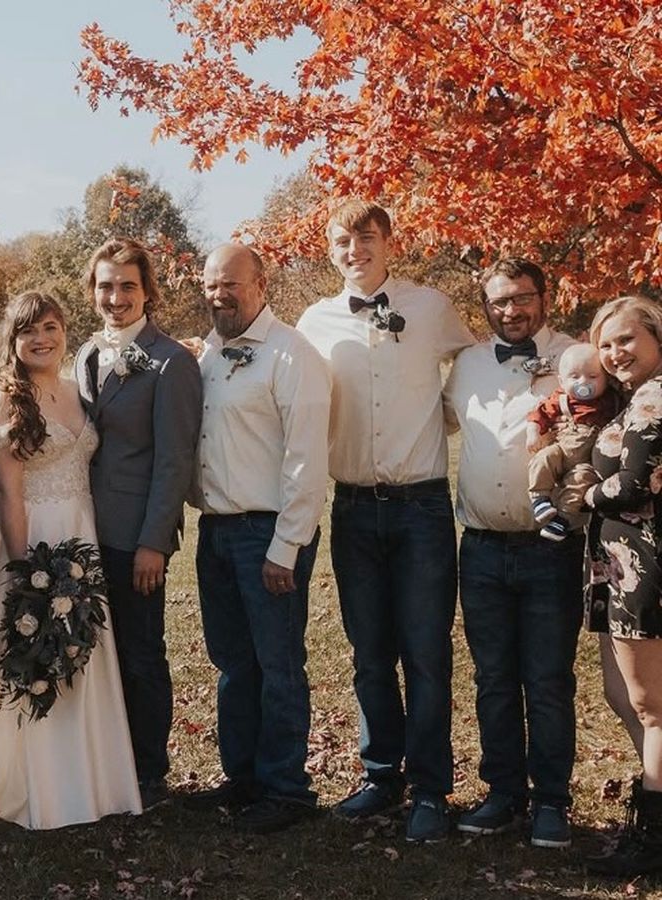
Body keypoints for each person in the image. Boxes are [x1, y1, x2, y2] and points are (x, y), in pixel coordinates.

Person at [0, 291, 142, 829]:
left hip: (81, 537)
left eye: (50, 327)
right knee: (34, 653)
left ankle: (89, 780)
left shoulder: (74, 389)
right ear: (13, 340)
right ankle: (29, 781)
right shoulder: (2, 401)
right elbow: (10, 495)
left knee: (80, 652)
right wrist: (28, 580)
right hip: (33, 542)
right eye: (29, 331)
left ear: (65, 330)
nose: (42, 339)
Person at [296, 200, 473, 843]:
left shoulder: (430, 308)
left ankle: (429, 789)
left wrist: (440, 416)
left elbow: (476, 370)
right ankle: (380, 776)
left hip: (421, 506)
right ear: (330, 250)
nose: (355, 250)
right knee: (370, 653)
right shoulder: (313, 321)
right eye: (342, 241)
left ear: (389, 243)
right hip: (352, 507)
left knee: (425, 653)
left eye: (366, 238)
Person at [442, 257, 584, 849]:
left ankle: (551, 801)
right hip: (479, 549)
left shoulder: (576, 358)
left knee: (547, 680)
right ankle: (503, 793)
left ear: (544, 298)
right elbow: (443, 423)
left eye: (522, 297)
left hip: (551, 548)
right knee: (494, 679)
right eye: (499, 301)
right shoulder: (468, 365)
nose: (511, 310)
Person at [187, 244, 330, 833]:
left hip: (269, 533)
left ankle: (287, 789)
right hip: (217, 531)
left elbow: (307, 459)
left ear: (261, 284)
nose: (219, 294)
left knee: (278, 664)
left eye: (231, 284)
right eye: (211, 285)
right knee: (232, 663)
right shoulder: (207, 354)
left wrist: (286, 546)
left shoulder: (292, 354)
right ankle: (242, 777)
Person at [73, 238, 202, 808]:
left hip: (136, 536)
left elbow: (175, 460)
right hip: (81, 530)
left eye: (128, 286)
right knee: (93, 652)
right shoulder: (83, 354)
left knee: (141, 654)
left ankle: (149, 772)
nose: (116, 297)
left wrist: (154, 542)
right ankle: (102, 762)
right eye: (106, 285)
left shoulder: (171, 361)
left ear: (148, 291)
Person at [583, 296, 662, 877]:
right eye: (606, 344)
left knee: (652, 707)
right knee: (622, 694)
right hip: (617, 569)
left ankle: (654, 839)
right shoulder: (633, 399)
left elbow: (634, 485)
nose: (615, 353)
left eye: (627, 339)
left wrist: (582, 495)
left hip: (645, 568)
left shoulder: (656, 398)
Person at [527, 343, 616, 540]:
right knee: (543, 458)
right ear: (561, 380)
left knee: (580, 481)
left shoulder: (611, 400)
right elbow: (539, 414)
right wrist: (533, 432)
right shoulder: (560, 399)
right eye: (574, 377)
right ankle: (539, 498)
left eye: (592, 376)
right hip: (561, 449)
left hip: (587, 460)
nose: (583, 382)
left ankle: (562, 519)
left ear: (606, 379)